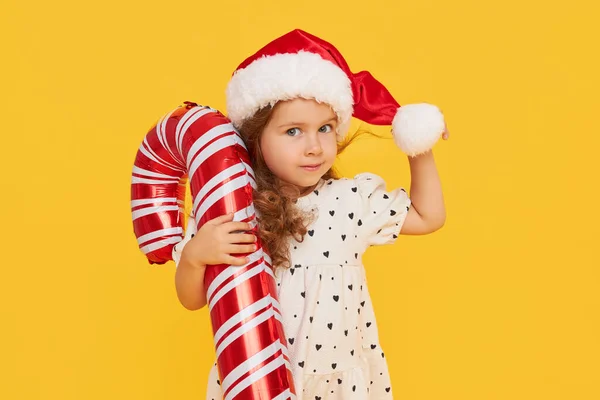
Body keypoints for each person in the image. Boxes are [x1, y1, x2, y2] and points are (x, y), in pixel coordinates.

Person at [173, 29, 449, 399]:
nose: (314, 146)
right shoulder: (236, 208)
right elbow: (193, 300)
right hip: (257, 377)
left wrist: (419, 145)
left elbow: (428, 216)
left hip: (340, 383)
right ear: (256, 137)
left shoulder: (352, 199)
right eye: (293, 131)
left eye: (325, 128)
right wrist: (194, 257)